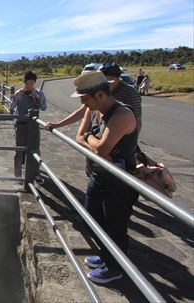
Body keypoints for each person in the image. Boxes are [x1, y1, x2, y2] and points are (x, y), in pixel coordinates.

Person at [72, 71, 138, 284]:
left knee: (115, 225)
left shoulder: (122, 115)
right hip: (100, 175)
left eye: (85, 98)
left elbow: (101, 148)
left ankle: (115, 268)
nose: (83, 103)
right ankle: (105, 256)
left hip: (120, 182)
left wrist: (90, 140)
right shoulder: (96, 110)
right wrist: (94, 145)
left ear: (99, 94)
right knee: (93, 218)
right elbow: (79, 137)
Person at [45, 62, 142, 132]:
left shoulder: (130, 93)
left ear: (116, 78)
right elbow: (82, 111)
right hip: (98, 133)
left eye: (107, 80)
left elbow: (137, 121)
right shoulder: (98, 88)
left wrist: (131, 143)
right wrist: (58, 124)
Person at [10, 71, 47, 179]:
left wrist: (38, 98)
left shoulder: (39, 92)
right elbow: (12, 107)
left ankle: (35, 173)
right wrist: (16, 96)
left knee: (35, 149)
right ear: (24, 82)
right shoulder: (19, 93)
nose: (29, 85)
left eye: (32, 83)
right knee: (19, 149)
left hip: (34, 124)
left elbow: (44, 107)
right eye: (27, 83)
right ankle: (18, 175)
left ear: (34, 82)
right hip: (20, 123)